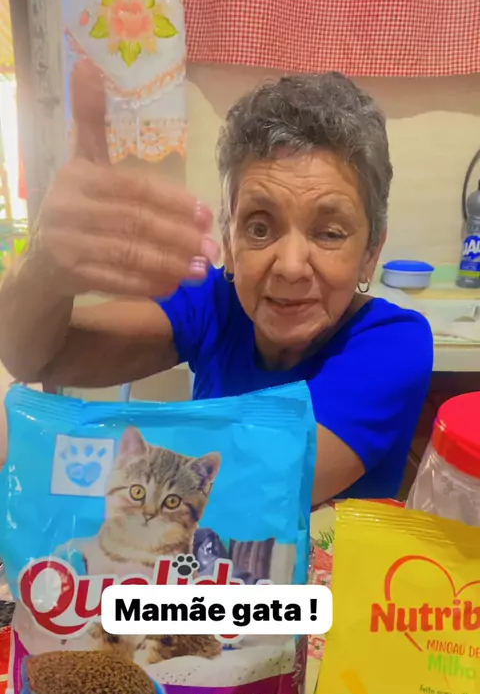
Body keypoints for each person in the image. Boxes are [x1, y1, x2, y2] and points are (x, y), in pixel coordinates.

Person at [0, 62, 433, 506]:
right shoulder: (215, 302)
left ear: (370, 253)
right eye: (260, 228)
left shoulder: (395, 343)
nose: (290, 267)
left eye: (329, 233)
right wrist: (43, 266)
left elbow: (262, 487)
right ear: (228, 240)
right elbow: (36, 357)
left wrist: (52, 463)